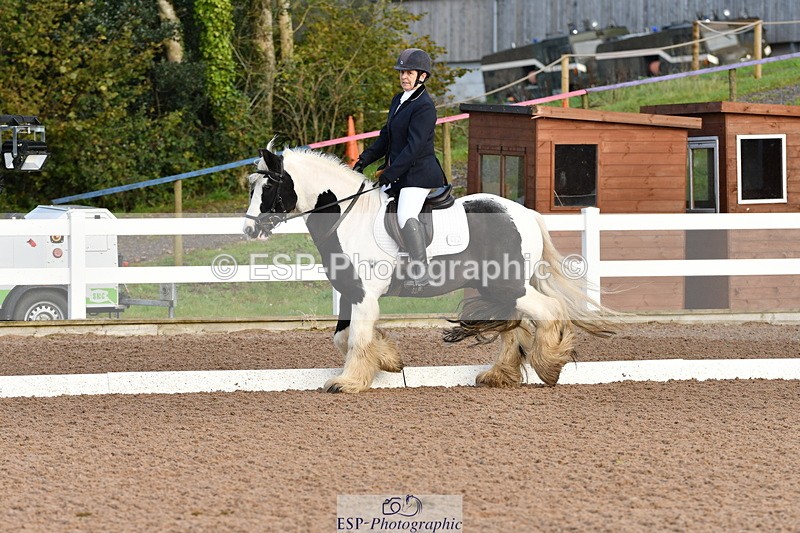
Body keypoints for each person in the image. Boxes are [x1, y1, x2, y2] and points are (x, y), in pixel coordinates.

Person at [352, 48, 446, 289]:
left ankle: (421, 272)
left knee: (405, 214)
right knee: (371, 207)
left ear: (422, 76)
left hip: (419, 176)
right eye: (402, 72)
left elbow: (413, 148)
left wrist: (389, 175)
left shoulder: (424, 106)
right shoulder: (399, 100)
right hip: (400, 174)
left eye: (409, 72)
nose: (404, 76)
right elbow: (386, 138)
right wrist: (364, 159)